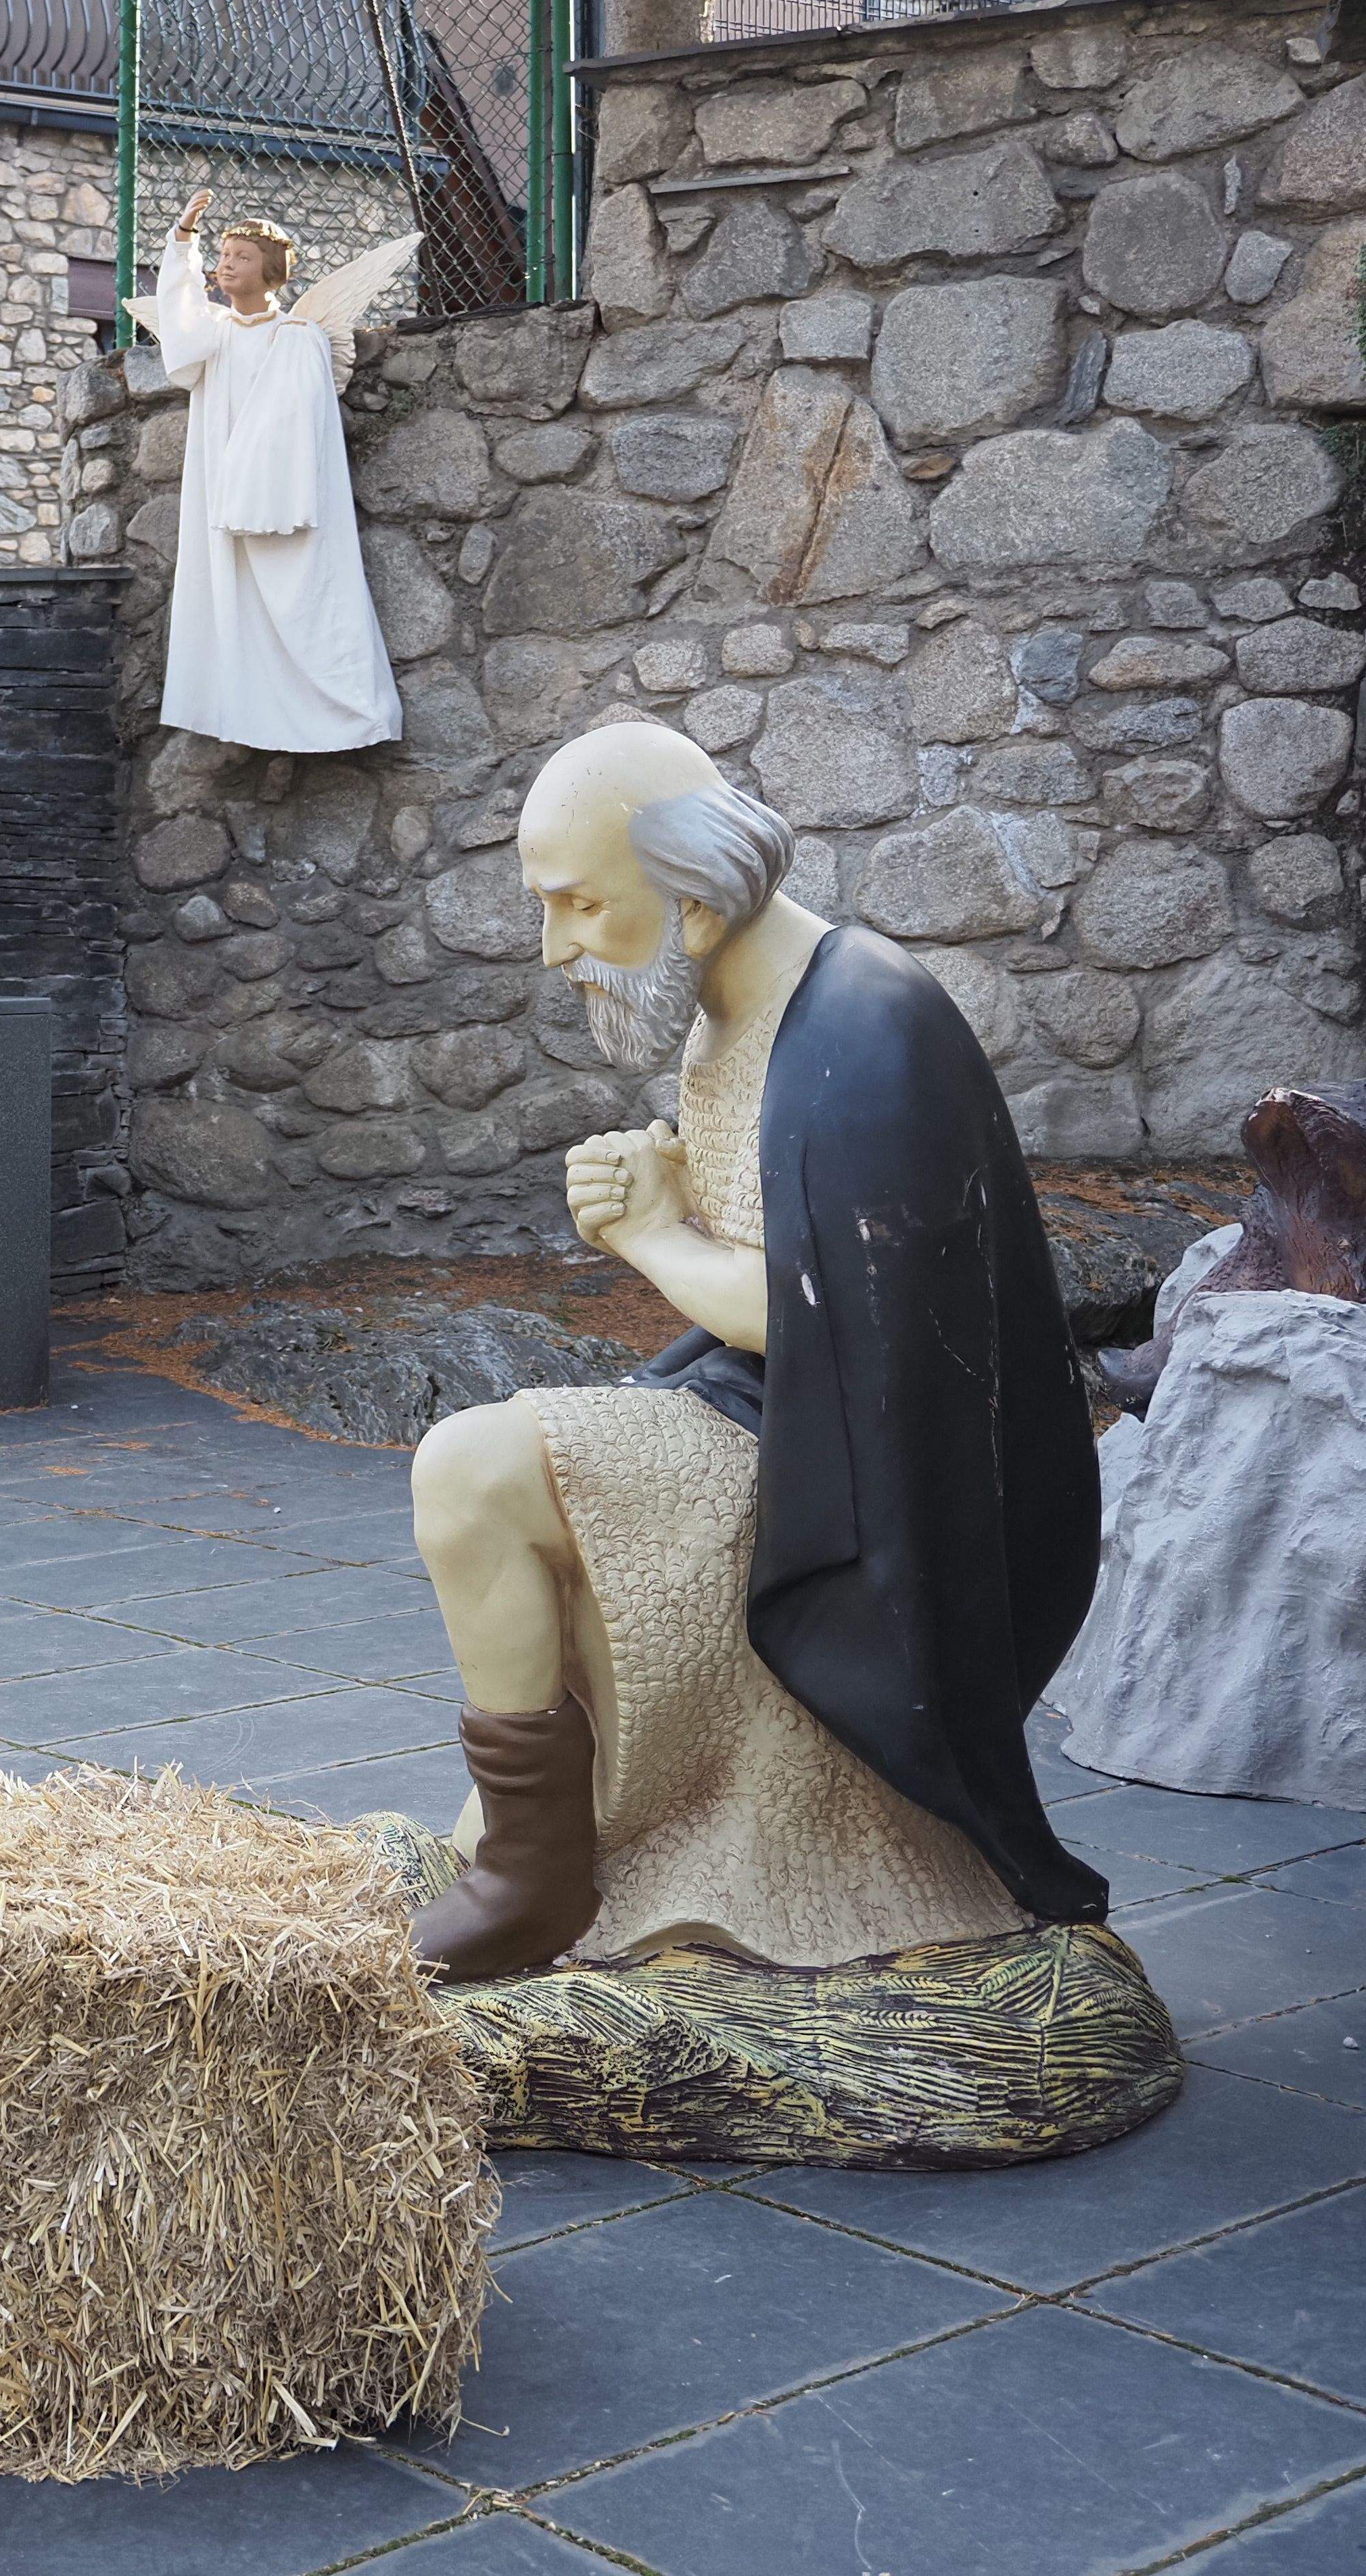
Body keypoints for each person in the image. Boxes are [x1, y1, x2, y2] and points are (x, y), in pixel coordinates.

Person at [403, 721, 1108, 1980]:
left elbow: (825, 1314)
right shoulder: (730, 1005)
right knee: (509, 1475)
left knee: (470, 1468)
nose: (554, 947)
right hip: (778, 1414)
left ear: (689, 901)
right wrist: (664, 1183)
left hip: (858, 1473)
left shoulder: (862, 1029)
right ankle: (541, 1840)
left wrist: (653, 1237)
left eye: (576, 906)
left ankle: (530, 1870)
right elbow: (771, 1230)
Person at [145, 188, 404, 754]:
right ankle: (246, 715)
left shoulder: (298, 338)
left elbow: (299, 419)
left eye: (238, 256)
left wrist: (256, 480)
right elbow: (180, 332)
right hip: (222, 490)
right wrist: (182, 241)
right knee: (231, 597)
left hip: (286, 497)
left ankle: (347, 714)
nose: (225, 264)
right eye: (222, 255)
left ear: (269, 271)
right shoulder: (213, 334)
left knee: (306, 592)